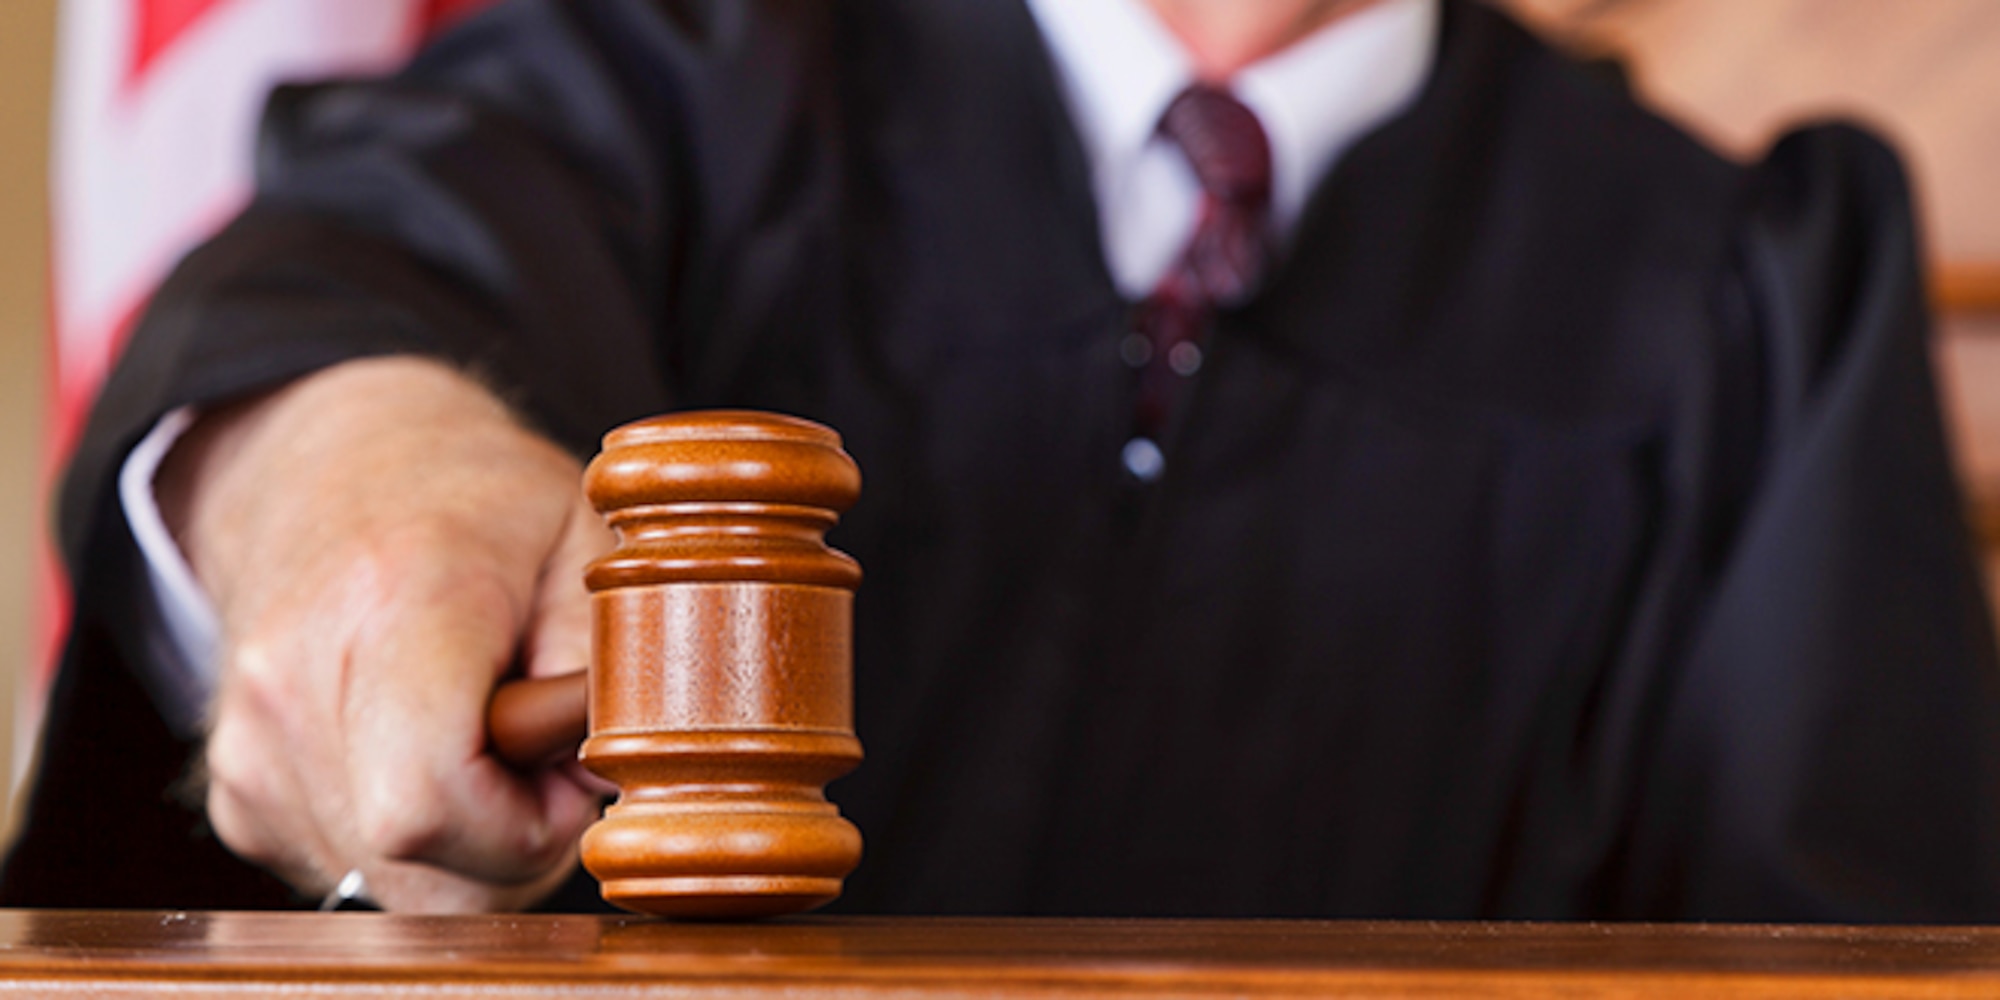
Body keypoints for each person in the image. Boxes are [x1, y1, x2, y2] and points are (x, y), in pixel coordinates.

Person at [7, 0, 2000, 920]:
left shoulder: (1742, 281)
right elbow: (348, 273)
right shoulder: (674, 80)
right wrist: (356, 487)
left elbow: (1844, 939)